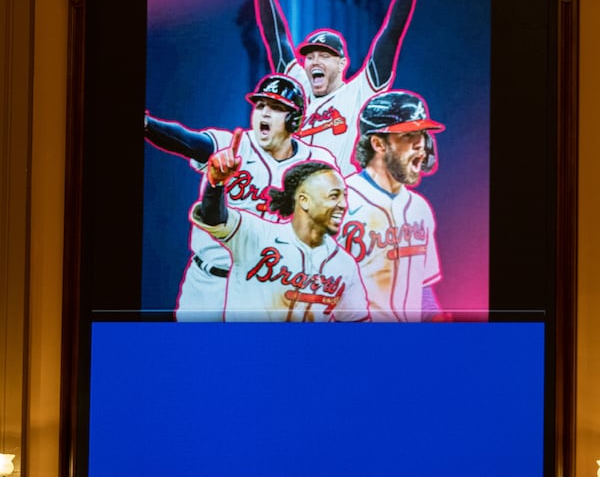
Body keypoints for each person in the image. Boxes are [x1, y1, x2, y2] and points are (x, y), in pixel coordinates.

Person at [144, 73, 338, 320]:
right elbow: (188, 141)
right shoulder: (232, 145)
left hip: (266, 288)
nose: (265, 113)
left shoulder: (316, 163)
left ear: (294, 119)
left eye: (277, 108)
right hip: (209, 283)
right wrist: (148, 124)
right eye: (260, 106)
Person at [253, 0, 420, 176]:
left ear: (342, 64)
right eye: (310, 57)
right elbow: (275, 35)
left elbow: (392, 31)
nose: (315, 61)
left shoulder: (359, 91)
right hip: (297, 199)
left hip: (338, 196)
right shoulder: (299, 85)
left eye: (324, 56)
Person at [191, 140, 370, 322]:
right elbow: (213, 218)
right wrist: (216, 185)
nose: (343, 205)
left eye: (344, 196)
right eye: (334, 196)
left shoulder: (344, 264)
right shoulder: (258, 234)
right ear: (304, 201)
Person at [338, 90, 446, 322]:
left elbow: (423, 288)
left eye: (422, 134)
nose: (421, 145)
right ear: (378, 144)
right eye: (408, 135)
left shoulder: (420, 208)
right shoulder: (340, 202)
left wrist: (436, 321)